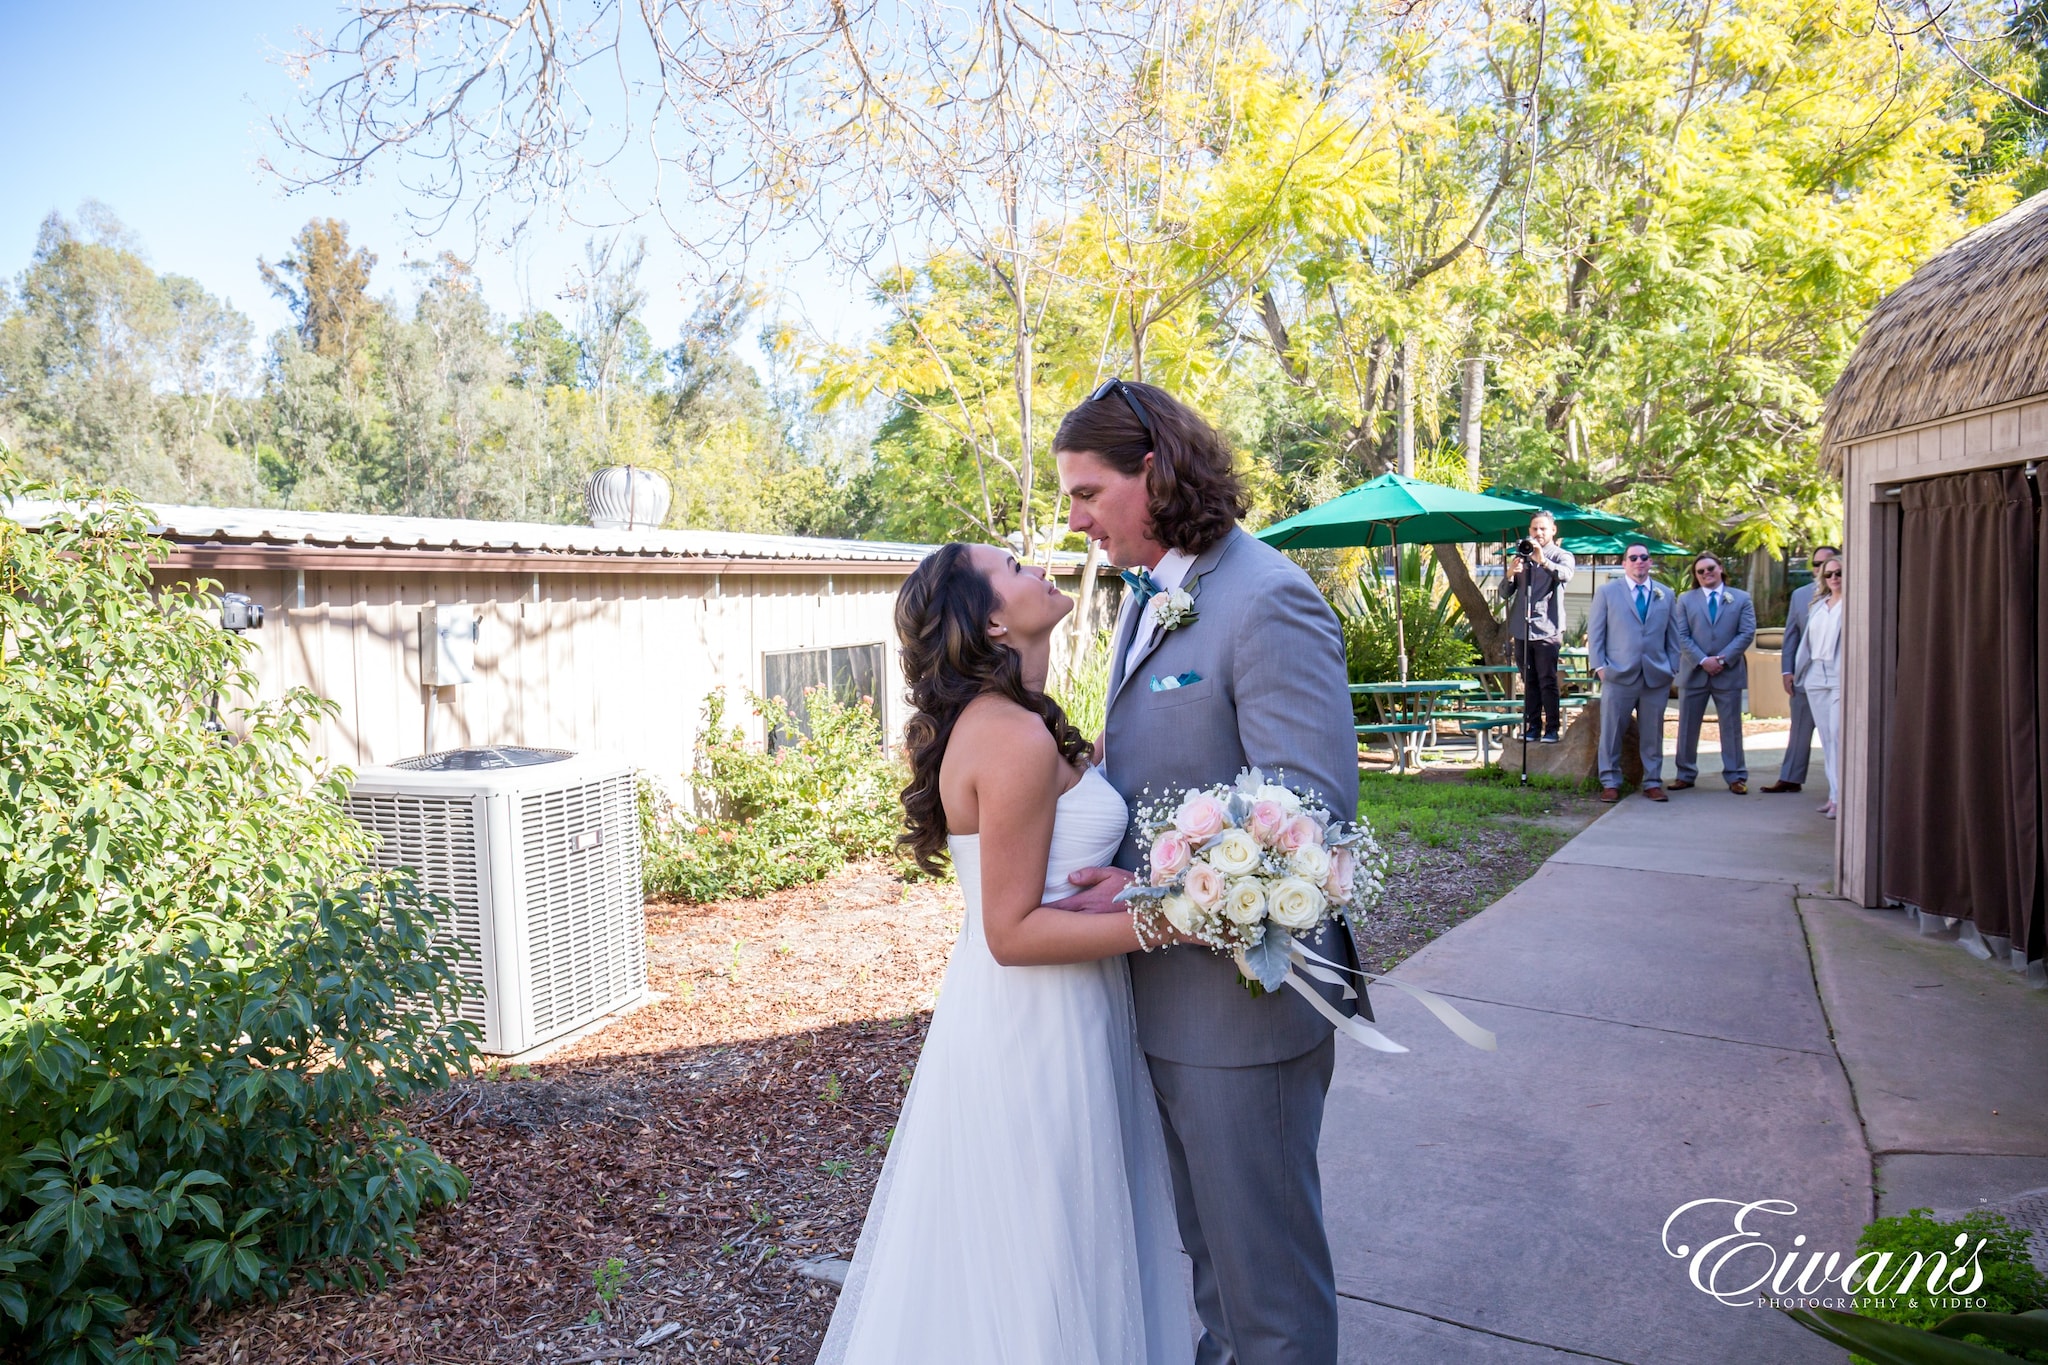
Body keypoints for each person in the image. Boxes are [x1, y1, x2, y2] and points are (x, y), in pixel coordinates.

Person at [817, 543, 1194, 1364]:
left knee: (1066, 1243)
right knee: (1043, 1257)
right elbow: (1012, 931)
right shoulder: (1011, 737)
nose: (1041, 568)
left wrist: (1138, 884)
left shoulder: (1022, 722)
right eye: (1017, 567)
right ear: (991, 618)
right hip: (1035, 1025)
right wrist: (1176, 918)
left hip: (1059, 1008)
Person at [1052, 379, 1363, 1365]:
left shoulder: (1265, 599)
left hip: (1243, 1015)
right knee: (1214, 1277)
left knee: (1264, 1295)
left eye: (1088, 491)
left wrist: (1143, 897)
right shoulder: (1152, 596)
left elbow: (1304, 829)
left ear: (1154, 470)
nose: (1075, 519)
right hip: (1168, 1006)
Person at [1586, 544, 1682, 803]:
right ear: (1624, 563)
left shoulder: (1666, 593)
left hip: (1656, 676)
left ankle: (1652, 781)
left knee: (1653, 732)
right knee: (1612, 731)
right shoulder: (1607, 592)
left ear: (1650, 562)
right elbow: (1596, 634)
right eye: (1633, 558)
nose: (1639, 561)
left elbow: (1674, 636)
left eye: (1644, 557)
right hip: (1618, 674)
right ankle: (1610, 781)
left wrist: (1672, 667)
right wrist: (1600, 667)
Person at [1671, 553, 1758, 794]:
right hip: (1694, 672)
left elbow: (1747, 632)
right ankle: (1685, 774)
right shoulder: (1685, 600)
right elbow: (1681, 634)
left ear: (1720, 567)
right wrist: (1702, 660)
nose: (1706, 573)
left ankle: (1735, 776)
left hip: (1727, 672)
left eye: (1710, 568)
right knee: (1687, 726)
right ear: (1696, 576)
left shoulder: (1741, 598)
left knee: (1731, 727)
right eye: (1700, 571)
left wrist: (1721, 659)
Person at [1761, 546, 1839, 793]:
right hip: (1807, 674)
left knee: (1835, 734)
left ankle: (1838, 790)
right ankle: (1790, 778)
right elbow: (1792, 635)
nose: (1822, 571)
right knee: (1799, 727)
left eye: (1827, 566)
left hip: (1837, 676)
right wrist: (1787, 671)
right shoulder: (1800, 595)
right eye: (1817, 565)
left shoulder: (1851, 595)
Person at [1498, 511, 1576, 742]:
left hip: (1548, 629)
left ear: (1553, 530)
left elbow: (1565, 575)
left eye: (1543, 528)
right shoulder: (1522, 555)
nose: (1538, 533)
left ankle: (1552, 728)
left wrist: (1543, 560)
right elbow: (1504, 593)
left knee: (1547, 679)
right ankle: (1532, 726)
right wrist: (1511, 574)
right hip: (1522, 629)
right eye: (1534, 529)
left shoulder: (1562, 555)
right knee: (1528, 680)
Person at [1796, 557, 1846, 819]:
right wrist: (1799, 672)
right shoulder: (1818, 606)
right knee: (1827, 739)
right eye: (1829, 574)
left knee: (1839, 736)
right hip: (1816, 673)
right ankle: (1833, 795)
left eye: (1839, 573)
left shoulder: (1852, 604)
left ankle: (1842, 797)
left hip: (1840, 675)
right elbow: (1807, 642)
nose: (1834, 578)